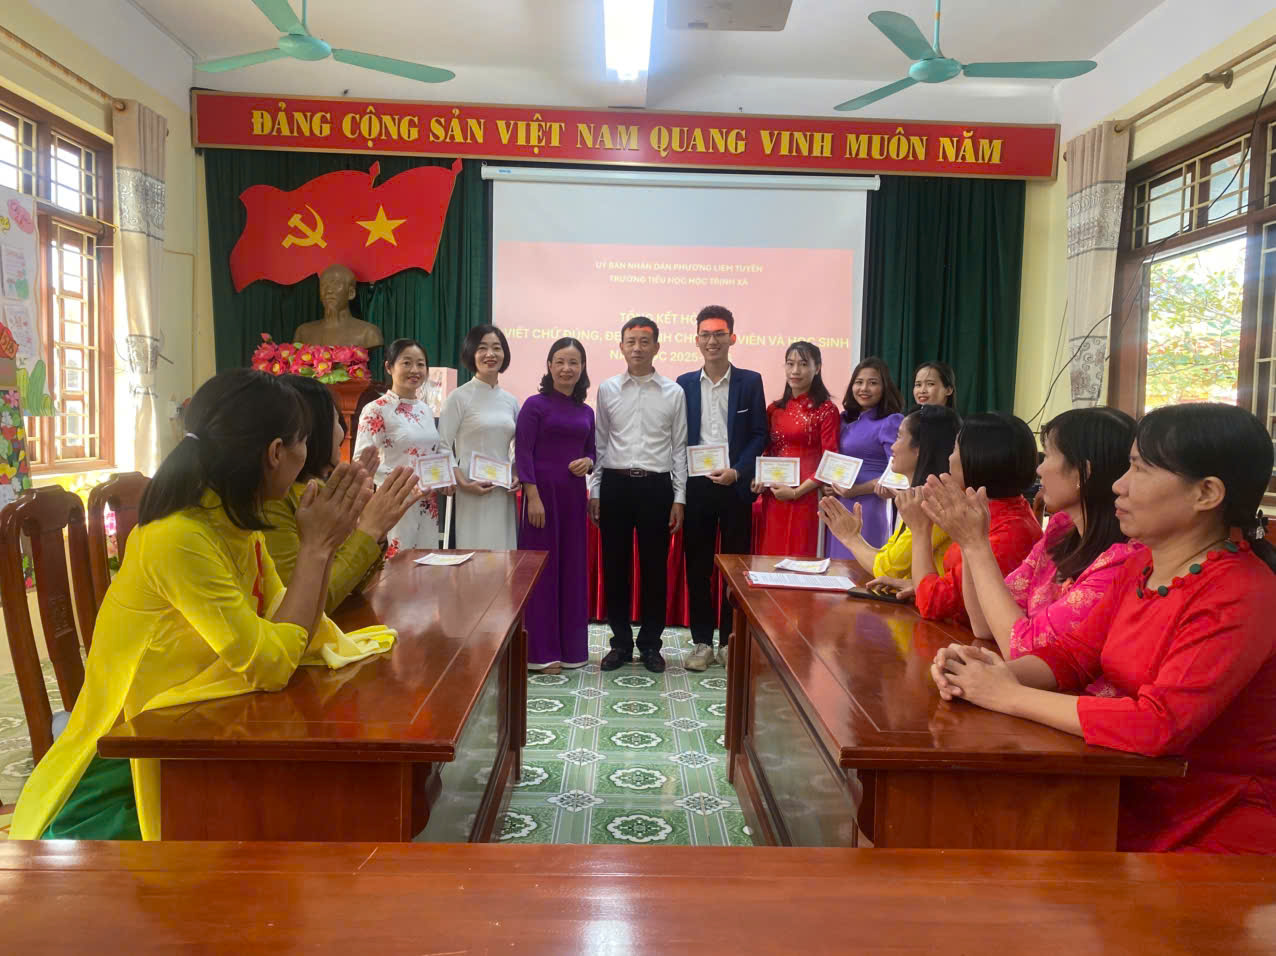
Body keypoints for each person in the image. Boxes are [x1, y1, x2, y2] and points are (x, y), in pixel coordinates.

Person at [10, 369, 373, 840]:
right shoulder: (181, 537)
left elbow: (290, 624)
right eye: (303, 440)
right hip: (135, 748)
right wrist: (316, 549)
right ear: (275, 453)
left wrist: (323, 547)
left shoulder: (236, 522)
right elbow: (271, 663)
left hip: (203, 720)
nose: (309, 453)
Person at [932, 403, 1276, 854]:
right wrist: (983, 673)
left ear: (1206, 493)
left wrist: (1008, 695)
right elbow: (1073, 655)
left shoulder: (1241, 592)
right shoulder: (1141, 563)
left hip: (1212, 822)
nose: (1119, 484)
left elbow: (1157, 724)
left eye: (1140, 469)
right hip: (1122, 789)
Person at [922, 408, 1138, 692]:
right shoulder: (1060, 530)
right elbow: (984, 624)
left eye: (1047, 456)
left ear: (1082, 473)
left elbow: (1022, 650)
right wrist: (969, 541)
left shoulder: (1121, 561)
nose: (1039, 469)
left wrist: (974, 544)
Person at [263, 375, 422, 614]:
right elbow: (310, 604)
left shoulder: (317, 487)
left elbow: (353, 584)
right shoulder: (275, 499)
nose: (343, 430)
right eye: (336, 419)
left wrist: (374, 530)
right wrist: (369, 529)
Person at [590, 316, 688, 673]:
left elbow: (679, 449)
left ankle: (650, 645)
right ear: (621, 347)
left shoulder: (673, 392)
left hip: (655, 487)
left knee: (654, 570)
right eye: (631, 341)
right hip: (615, 486)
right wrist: (595, 490)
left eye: (645, 342)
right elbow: (600, 444)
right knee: (615, 568)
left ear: (657, 347)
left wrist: (679, 498)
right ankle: (619, 644)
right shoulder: (607, 390)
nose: (637, 348)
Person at [876, 412, 1041, 621]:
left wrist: (920, 530)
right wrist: (918, 584)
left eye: (955, 449)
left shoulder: (1010, 532)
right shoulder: (999, 511)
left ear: (978, 458)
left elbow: (931, 603)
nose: (949, 457)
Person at [676, 306, 768, 672]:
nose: (712, 340)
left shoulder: (750, 382)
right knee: (698, 568)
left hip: (734, 488)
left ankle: (730, 640)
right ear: (696, 340)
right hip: (697, 487)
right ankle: (701, 642)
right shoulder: (683, 383)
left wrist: (738, 471)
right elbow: (677, 436)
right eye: (705, 334)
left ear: (732, 337)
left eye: (719, 334)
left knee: (733, 567)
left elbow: (759, 434)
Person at [516, 338, 596, 673]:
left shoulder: (586, 411)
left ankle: (572, 651)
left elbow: (592, 451)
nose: (567, 369)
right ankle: (541, 653)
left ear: (582, 368)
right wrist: (532, 497)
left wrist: (588, 462)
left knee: (572, 570)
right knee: (542, 572)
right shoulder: (534, 405)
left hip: (573, 499)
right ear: (549, 366)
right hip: (542, 499)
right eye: (560, 362)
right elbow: (523, 453)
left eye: (573, 362)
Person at [820, 404, 959, 580]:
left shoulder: (935, 502)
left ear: (919, 449)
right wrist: (854, 536)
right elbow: (888, 557)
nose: (892, 446)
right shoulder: (917, 496)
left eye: (898, 437)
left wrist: (851, 538)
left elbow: (888, 569)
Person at [354, 338, 445, 556]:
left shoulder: (425, 409)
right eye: (406, 363)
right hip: (394, 501)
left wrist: (445, 478)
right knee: (396, 565)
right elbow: (361, 461)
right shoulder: (376, 409)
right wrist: (405, 484)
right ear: (389, 367)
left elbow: (433, 451)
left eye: (420, 364)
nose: (415, 370)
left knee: (425, 564)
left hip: (427, 502)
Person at [439, 324, 521, 550]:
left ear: (504, 354)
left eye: (497, 348)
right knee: (474, 555)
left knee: (504, 553)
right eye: (482, 348)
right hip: (470, 489)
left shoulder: (511, 401)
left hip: (502, 490)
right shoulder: (458, 397)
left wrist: (516, 472)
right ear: (471, 353)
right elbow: (443, 445)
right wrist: (462, 483)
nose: (490, 354)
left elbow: (518, 445)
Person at [753, 341, 839, 558]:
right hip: (775, 495)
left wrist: (796, 492)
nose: (795, 370)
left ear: (817, 368)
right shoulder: (774, 409)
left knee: (802, 556)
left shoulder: (826, 410)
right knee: (772, 556)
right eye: (790, 364)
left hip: (807, 496)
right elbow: (768, 451)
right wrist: (760, 478)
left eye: (803, 364)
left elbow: (830, 459)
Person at [825, 356, 904, 554]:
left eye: (873, 383)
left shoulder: (891, 421)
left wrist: (856, 490)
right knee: (836, 565)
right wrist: (829, 484)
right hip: (839, 504)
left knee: (861, 565)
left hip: (869, 506)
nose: (864, 388)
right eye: (859, 382)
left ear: (884, 387)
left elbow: (897, 474)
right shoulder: (843, 419)